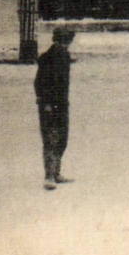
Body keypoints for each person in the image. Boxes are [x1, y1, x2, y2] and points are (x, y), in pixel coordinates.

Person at [34, 24, 77, 189]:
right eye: (64, 42)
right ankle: (49, 175)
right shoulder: (48, 58)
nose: (66, 45)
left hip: (62, 104)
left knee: (62, 138)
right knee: (51, 139)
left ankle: (57, 172)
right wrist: (45, 103)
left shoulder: (64, 56)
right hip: (50, 105)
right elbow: (40, 83)